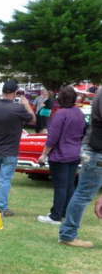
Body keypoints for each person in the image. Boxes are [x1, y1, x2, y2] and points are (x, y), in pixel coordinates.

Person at [36, 86, 87, 225]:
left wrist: (44, 154)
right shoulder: (79, 113)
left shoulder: (60, 114)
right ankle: (64, 212)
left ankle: (55, 216)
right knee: (69, 185)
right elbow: (84, 132)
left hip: (61, 155)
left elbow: (53, 137)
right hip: (75, 153)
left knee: (60, 186)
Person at [58, 88, 102, 247]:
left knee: (82, 193)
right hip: (96, 151)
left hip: (94, 150)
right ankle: (68, 234)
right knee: (83, 194)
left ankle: (68, 234)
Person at [0, 79, 35, 216]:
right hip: (10, 150)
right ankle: (2, 207)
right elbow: (33, 119)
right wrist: (26, 105)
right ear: (15, 93)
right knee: (5, 180)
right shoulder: (17, 108)